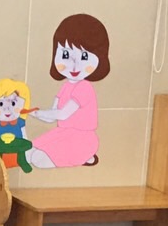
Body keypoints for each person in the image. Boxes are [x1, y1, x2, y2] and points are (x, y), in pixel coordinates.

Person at [25, 13, 110, 169]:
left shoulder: (84, 88)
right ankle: (83, 156)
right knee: (27, 153)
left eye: (84, 56)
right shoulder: (66, 86)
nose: (74, 65)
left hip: (81, 139)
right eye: (66, 54)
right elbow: (52, 115)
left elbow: (63, 114)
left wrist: (39, 113)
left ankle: (85, 154)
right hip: (63, 133)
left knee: (37, 159)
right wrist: (33, 113)